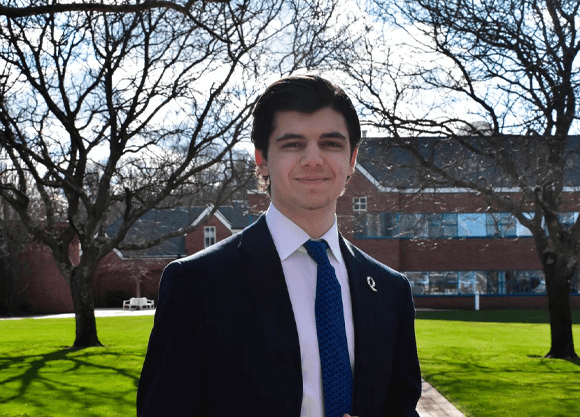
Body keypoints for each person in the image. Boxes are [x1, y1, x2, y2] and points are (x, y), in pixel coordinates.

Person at [137, 75, 421, 417]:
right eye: (293, 144)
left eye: (331, 143)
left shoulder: (390, 290)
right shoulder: (198, 284)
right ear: (261, 158)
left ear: (352, 159)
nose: (313, 159)